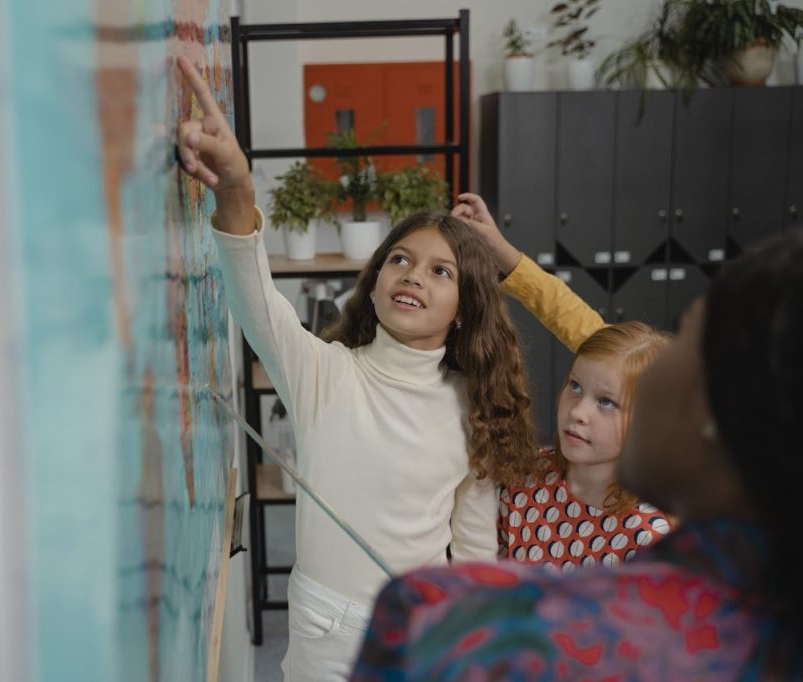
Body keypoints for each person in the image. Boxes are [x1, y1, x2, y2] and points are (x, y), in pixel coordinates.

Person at [175, 56, 540, 680]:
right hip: (328, 628)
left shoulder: (475, 404)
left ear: (464, 310)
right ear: (373, 286)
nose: (413, 277)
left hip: (421, 628)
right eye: (399, 260)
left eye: (439, 271)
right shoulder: (327, 372)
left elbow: (475, 547)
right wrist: (235, 191)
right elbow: (257, 301)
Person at [351, 225, 803, 680]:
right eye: (576, 387)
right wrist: (513, 261)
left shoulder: (430, 621)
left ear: (719, 414)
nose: (583, 411)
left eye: (685, 337)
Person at [452, 194, 673, 569]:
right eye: (574, 387)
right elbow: (570, 317)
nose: (579, 412)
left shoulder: (649, 539)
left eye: (606, 402)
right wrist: (500, 251)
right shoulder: (523, 481)